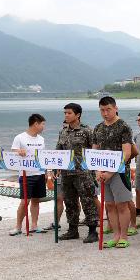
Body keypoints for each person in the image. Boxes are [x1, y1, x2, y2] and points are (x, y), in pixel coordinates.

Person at [93, 96, 134, 249]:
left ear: (115, 108)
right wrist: (97, 170)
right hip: (102, 171)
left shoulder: (123, 126)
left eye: (108, 109)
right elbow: (94, 150)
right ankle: (115, 235)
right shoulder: (98, 128)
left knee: (122, 204)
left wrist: (111, 171)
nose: (105, 113)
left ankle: (124, 236)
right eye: (102, 110)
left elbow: (127, 153)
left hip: (119, 172)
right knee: (109, 205)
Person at [56, 103, 99, 242]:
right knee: (70, 202)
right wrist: (55, 167)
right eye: (64, 113)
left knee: (88, 201)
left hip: (83, 173)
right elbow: (58, 151)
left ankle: (93, 231)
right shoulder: (63, 131)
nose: (66, 115)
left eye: (69, 113)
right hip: (66, 173)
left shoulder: (87, 131)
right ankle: (72, 230)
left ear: (78, 115)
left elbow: (95, 150)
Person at [9, 113, 48, 235]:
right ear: (36, 123)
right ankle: (18, 227)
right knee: (25, 201)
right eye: (42, 124)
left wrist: (46, 171)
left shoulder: (41, 139)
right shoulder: (20, 138)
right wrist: (18, 152)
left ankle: (34, 225)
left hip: (40, 173)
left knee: (36, 200)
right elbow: (13, 152)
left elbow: (43, 156)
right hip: (26, 175)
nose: (43, 127)